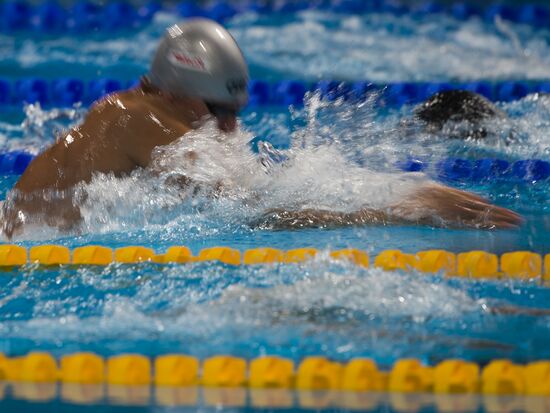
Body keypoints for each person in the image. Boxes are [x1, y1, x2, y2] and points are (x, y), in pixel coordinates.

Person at [1, 19, 521, 238]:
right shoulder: (141, 121)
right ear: (180, 91)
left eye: (235, 114)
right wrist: (404, 207)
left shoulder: (132, 113)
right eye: (218, 111)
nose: (228, 128)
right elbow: (254, 213)